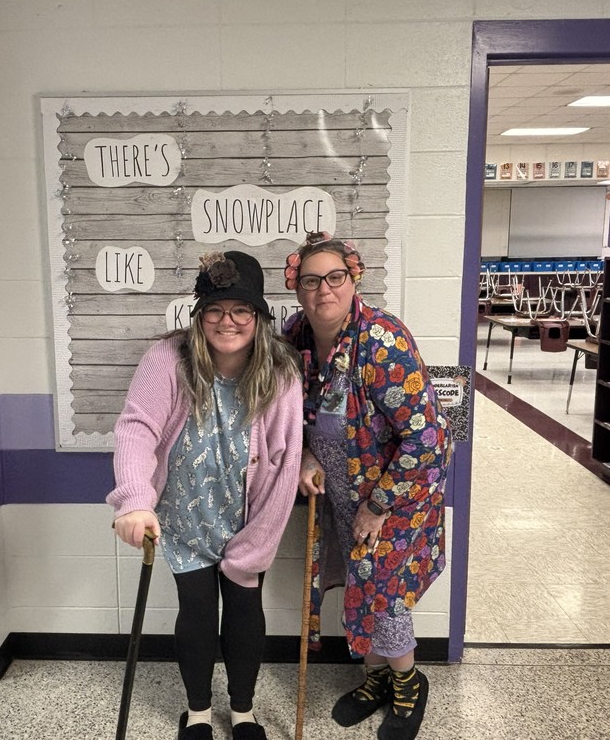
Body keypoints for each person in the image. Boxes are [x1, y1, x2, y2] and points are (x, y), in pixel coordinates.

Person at [109, 250, 303, 740]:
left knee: (244, 611)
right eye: (214, 310)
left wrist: (260, 538)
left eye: (241, 310)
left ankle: (242, 711)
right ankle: (197, 711)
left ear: (259, 318)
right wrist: (134, 500)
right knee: (195, 611)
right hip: (181, 517)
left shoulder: (280, 373)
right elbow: (137, 428)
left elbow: (284, 465)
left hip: (248, 519)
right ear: (199, 317)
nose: (228, 321)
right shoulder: (168, 358)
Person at [282, 232, 452, 740]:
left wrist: (378, 505)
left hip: (397, 496)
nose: (323, 290)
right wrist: (308, 455)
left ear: (353, 280)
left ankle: (407, 684)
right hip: (341, 491)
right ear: (296, 289)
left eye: (336, 277)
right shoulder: (296, 339)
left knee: (386, 594)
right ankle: (375, 679)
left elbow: (428, 435)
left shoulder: (382, 339)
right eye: (311, 280)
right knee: (361, 587)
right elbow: (299, 416)